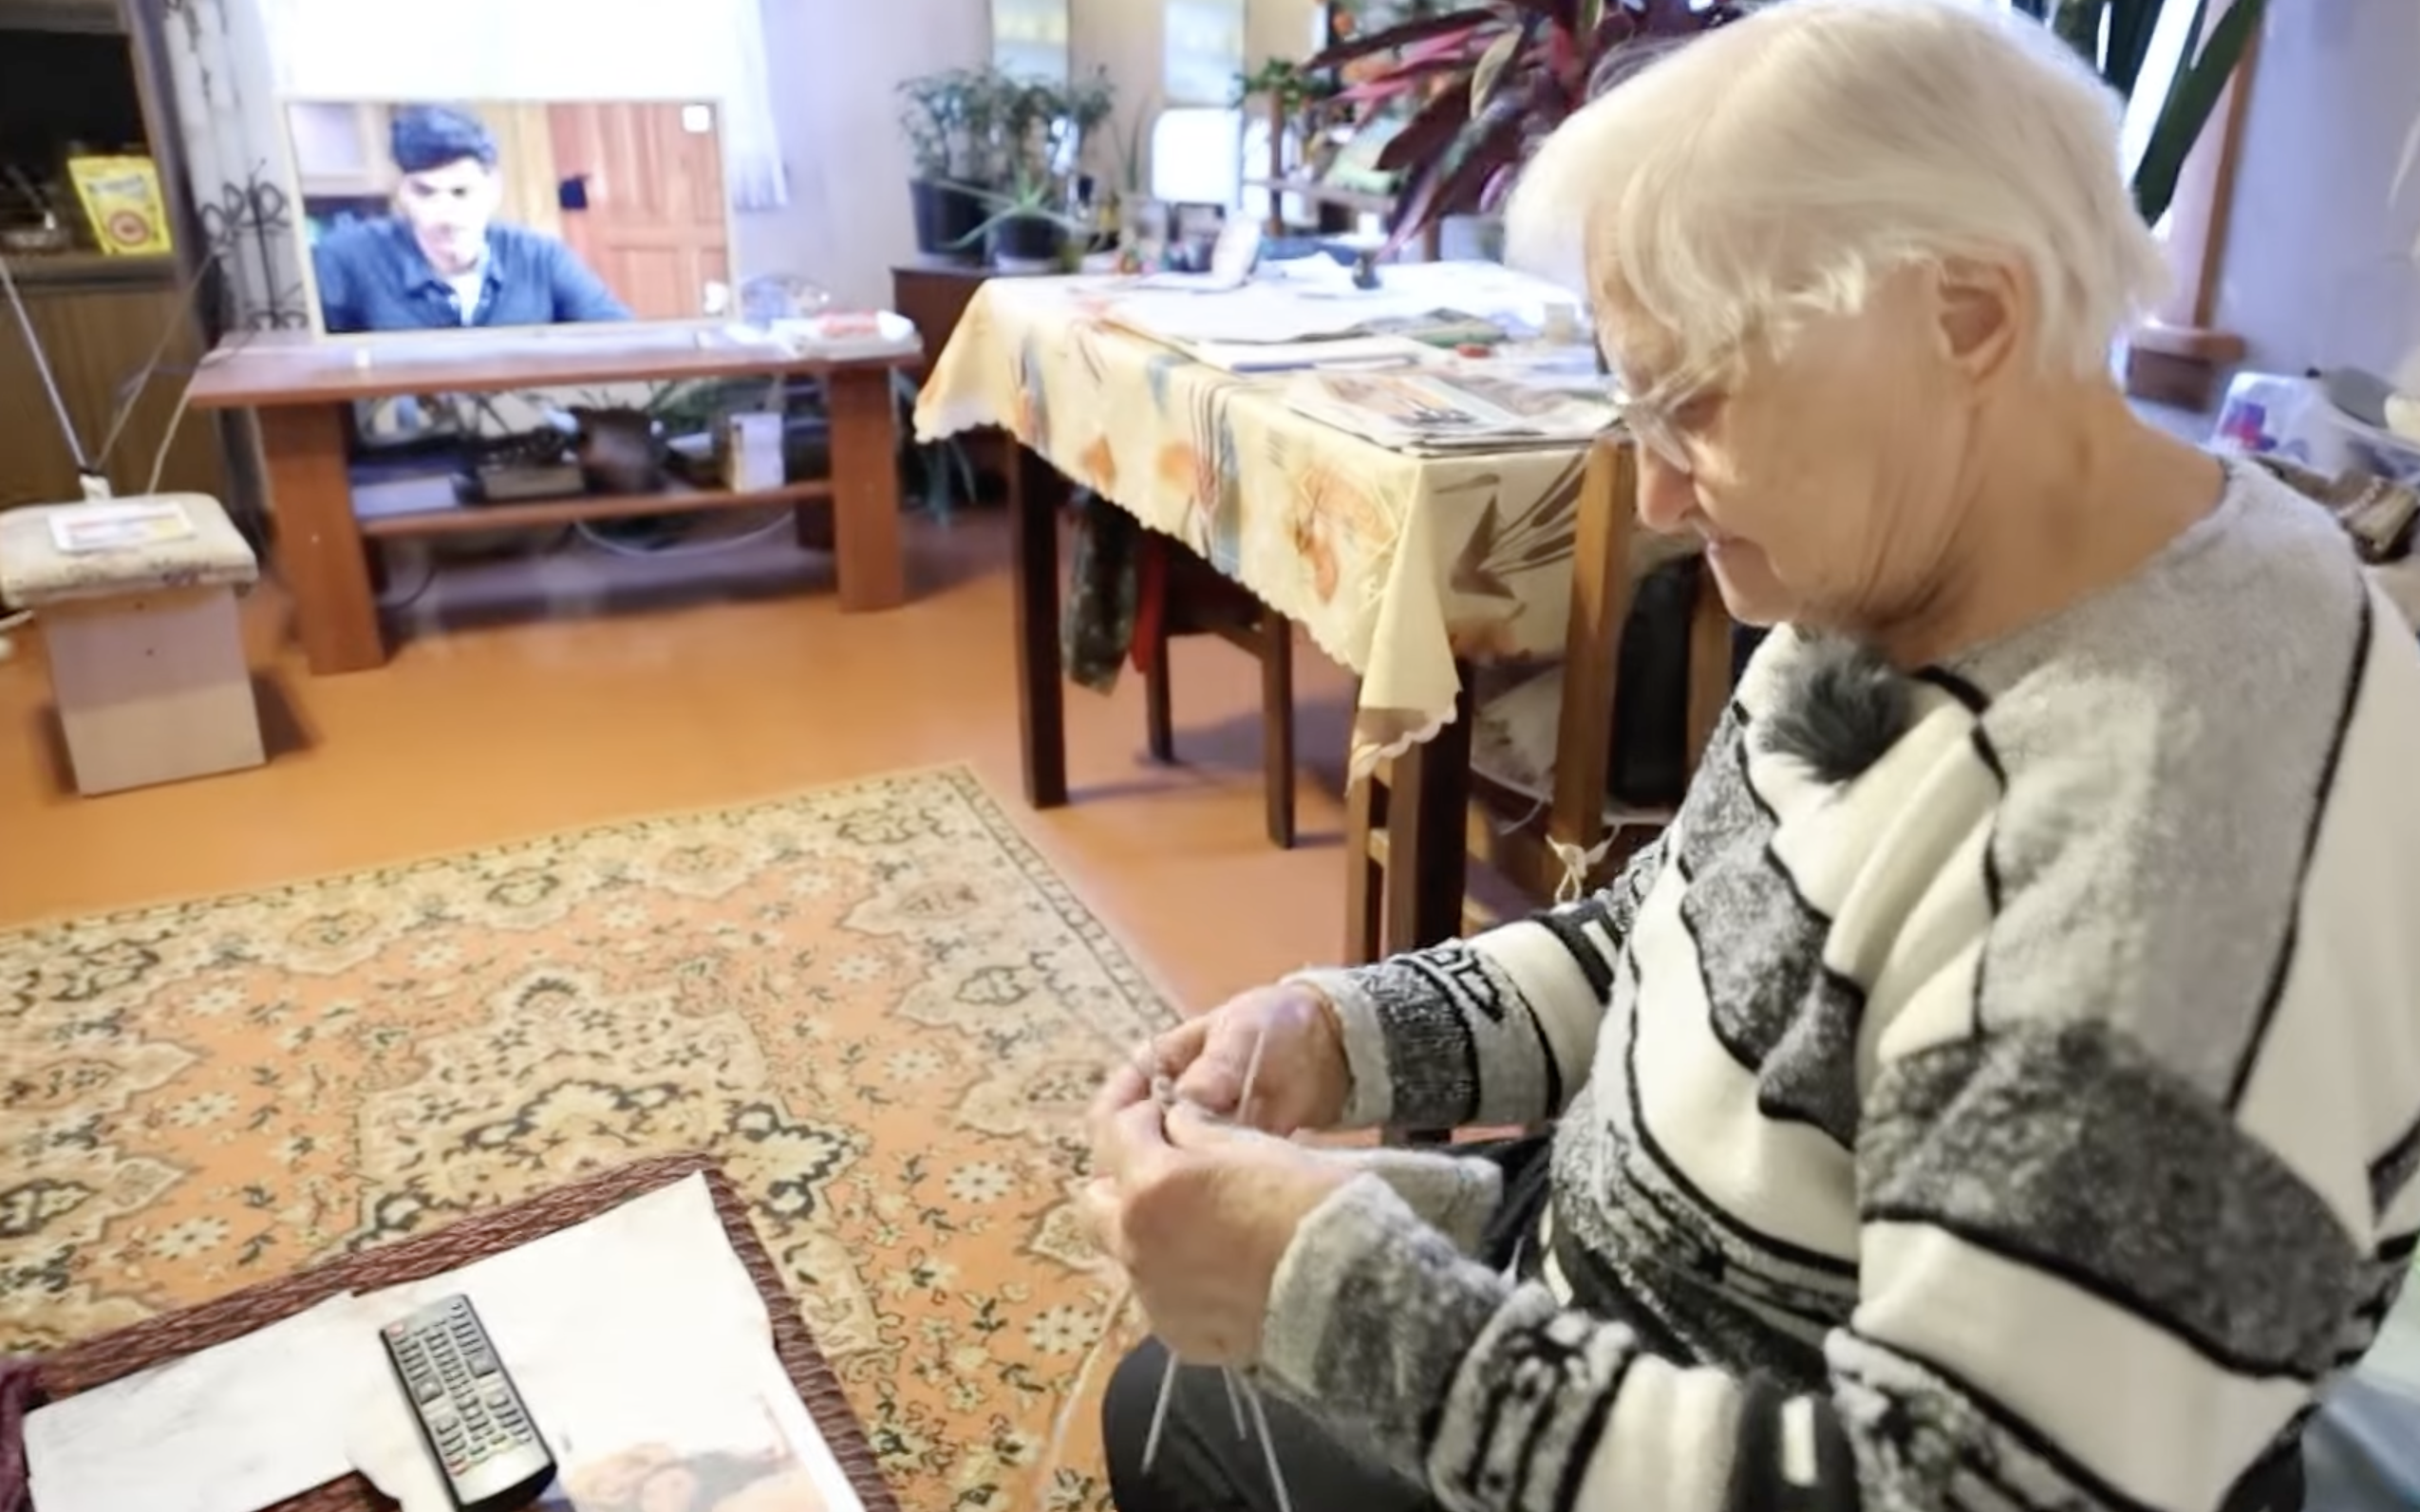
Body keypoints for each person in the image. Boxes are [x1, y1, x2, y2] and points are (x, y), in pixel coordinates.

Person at [1081, 4, 2420, 1512]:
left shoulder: (2154, 872)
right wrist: (1339, 1033)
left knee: (1171, 1413)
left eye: (1694, 404)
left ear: (1966, 317)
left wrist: (1334, 1298)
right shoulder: (1933, 559)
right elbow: (1674, 934)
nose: (1655, 495)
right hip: (1644, 1288)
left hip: (1744, 1434)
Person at [311, 104, 632, 333]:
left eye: (461, 192)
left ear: (493, 189)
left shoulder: (541, 257)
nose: (444, 213)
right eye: (425, 192)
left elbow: (619, 341)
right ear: (402, 193)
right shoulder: (342, 258)